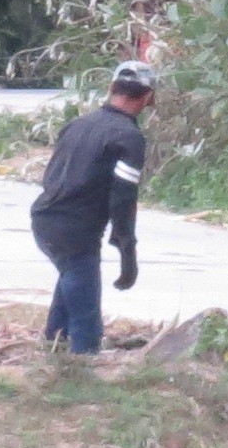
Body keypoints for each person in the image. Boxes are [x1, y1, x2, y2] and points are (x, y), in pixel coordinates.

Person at [30, 61, 153, 357]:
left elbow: (52, 174)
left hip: (43, 217)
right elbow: (123, 199)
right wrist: (128, 253)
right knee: (84, 300)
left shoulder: (78, 125)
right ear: (148, 97)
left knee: (72, 277)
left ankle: (54, 342)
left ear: (111, 89)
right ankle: (85, 358)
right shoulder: (128, 137)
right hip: (75, 228)